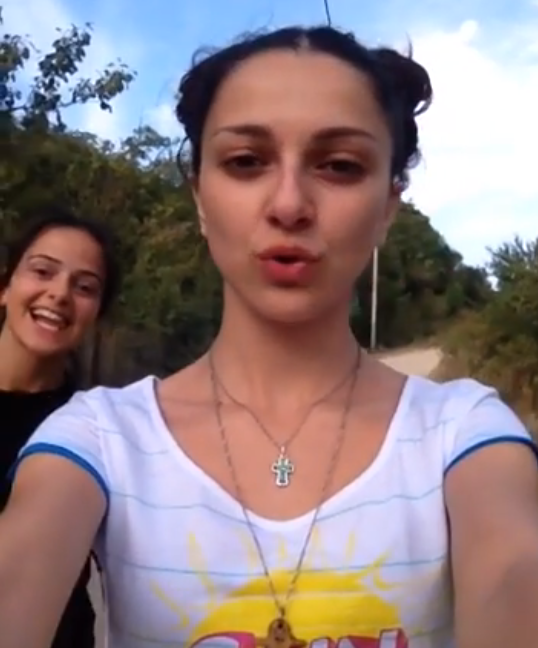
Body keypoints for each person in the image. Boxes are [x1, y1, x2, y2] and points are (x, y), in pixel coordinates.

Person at [1, 25, 538, 648]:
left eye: (340, 166)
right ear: (200, 198)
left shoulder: (464, 432)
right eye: (246, 162)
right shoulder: (98, 437)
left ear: (388, 209)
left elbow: (513, 570)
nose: (289, 204)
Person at [0, 208, 120, 648]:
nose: (59, 294)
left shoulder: (94, 434)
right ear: (5, 287)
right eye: (42, 271)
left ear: (96, 315)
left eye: (84, 287)